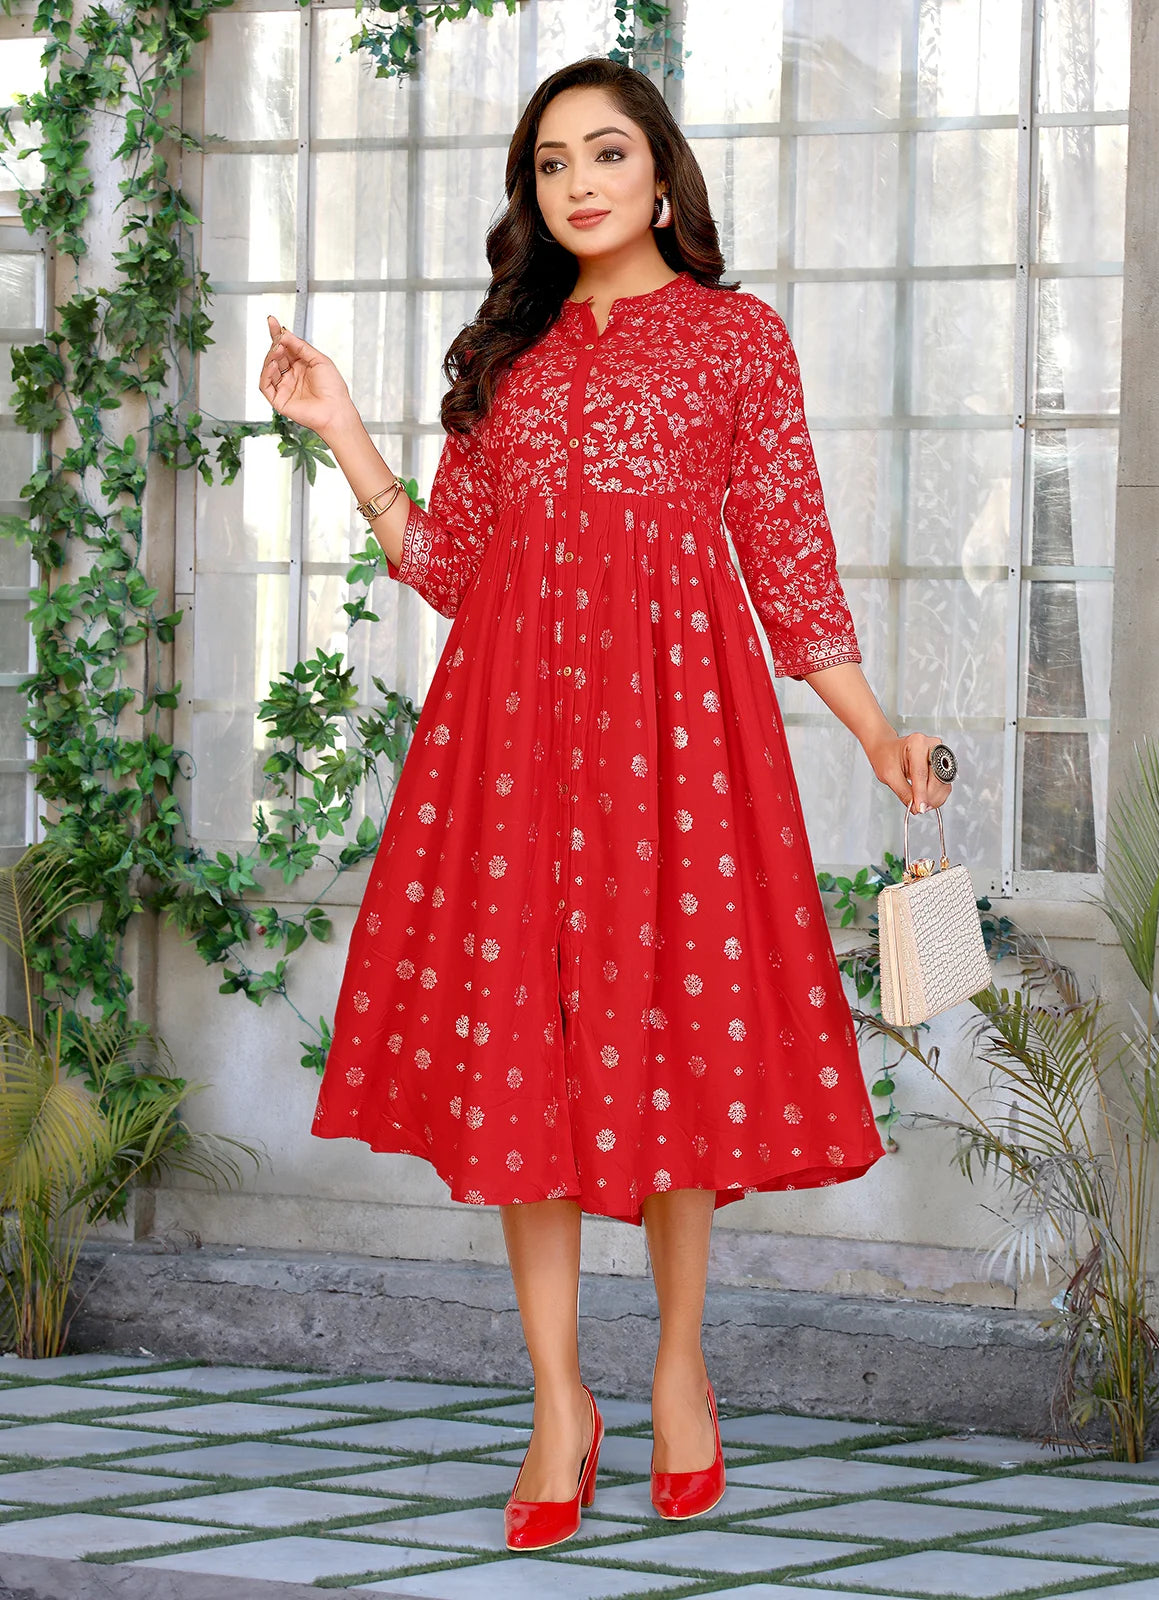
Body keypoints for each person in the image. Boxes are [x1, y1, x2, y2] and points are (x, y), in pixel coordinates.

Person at [258, 56, 953, 1552]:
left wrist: (878, 732)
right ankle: (557, 1399)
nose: (578, 181)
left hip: (682, 735)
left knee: (678, 1033)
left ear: (661, 171)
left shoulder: (737, 340)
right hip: (510, 741)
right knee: (529, 1047)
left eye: (607, 152)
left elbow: (789, 559)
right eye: (552, 162)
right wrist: (341, 426)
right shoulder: (507, 354)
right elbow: (452, 567)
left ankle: (680, 1365)